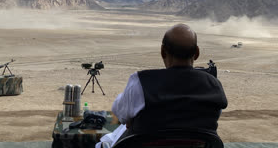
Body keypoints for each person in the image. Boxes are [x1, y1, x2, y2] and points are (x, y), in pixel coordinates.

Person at [95, 23, 227, 148]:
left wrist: (133, 119)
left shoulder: (141, 83)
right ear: (197, 53)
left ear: (163, 52)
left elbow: (120, 113)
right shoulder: (214, 87)